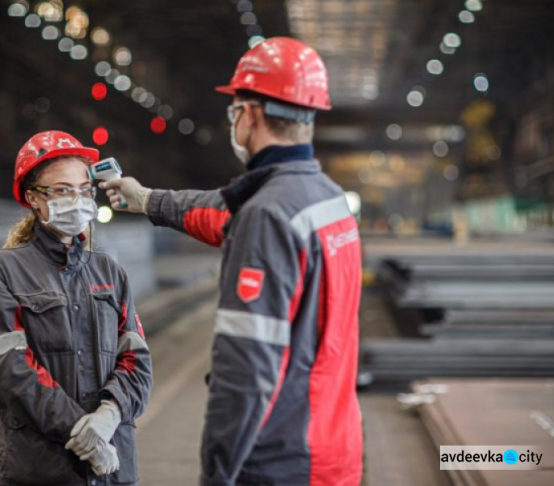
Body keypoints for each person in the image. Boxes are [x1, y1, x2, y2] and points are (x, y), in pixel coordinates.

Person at [102, 37, 363, 485]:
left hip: (282, 460)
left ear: (252, 113)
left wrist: (217, 474)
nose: (234, 120)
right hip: (334, 444)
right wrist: (146, 199)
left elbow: (246, 374)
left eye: (235, 109)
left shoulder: (268, 215)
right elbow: (222, 211)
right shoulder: (325, 199)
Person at [0, 130, 152, 486]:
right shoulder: (4, 269)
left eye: (83, 189)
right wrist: (80, 430)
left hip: (112, 468)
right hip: (41, 469)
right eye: (61, 190)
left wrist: (109, 413)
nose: (77, 199)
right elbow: (10, 368)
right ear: (33, 198)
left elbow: (137, 361)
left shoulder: (109, 271)